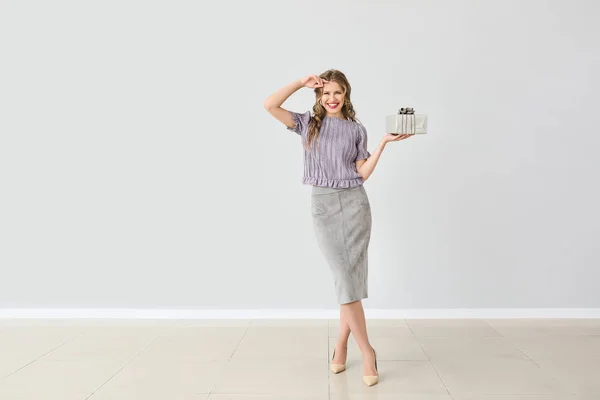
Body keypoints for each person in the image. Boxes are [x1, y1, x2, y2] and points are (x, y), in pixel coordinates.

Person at [263, 69, 412, 387]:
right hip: (324, 207)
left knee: (350, 284)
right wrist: (299, 84)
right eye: (325, 93)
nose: (331, 98)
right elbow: (270, 105)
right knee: (344, 279)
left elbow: (362, 173)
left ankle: (341, 346)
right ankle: (367, 350)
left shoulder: (357, 129)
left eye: (337, 93)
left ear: (347, 95)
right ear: (318, 96)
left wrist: (384, 143)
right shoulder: (308, 124)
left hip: (356, 205)